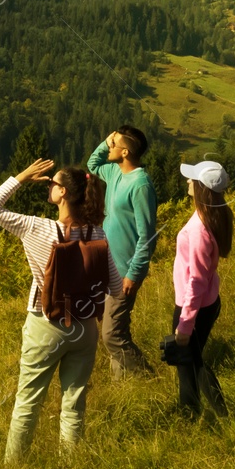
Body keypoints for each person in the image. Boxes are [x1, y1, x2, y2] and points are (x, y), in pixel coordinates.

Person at [0, 157, 123, 461]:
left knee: (28, 402)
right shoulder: (97, 234)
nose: (49, 185)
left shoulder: (37, 228)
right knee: (74, 402)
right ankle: (71, 465)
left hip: (45, 324)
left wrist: (21, 176)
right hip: (85, 327)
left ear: (63, 194)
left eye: (52, 183)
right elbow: (114, 287)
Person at [87, 125, 159, 377]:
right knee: (113, 329)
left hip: (124, 272)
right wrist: (106, 141)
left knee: (111, 334)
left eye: (113, 144)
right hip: (108, 268)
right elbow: (92, 164)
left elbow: (147, 235)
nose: (109, 147)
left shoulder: (140, 185)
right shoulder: (116, 172)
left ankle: (147, 376)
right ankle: (122, 382)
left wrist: (135, 273)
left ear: (126, 152)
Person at [164, 160, 232, 418]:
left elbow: (196, 282)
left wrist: (184, 325)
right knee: (192, 359)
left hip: (193, 306)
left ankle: (199, 414)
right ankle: (196, 411)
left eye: (192, 180)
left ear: (203, 188)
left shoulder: (199, 230)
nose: (188, 182)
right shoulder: (214, 214)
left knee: (189, 361)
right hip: (208, 302)